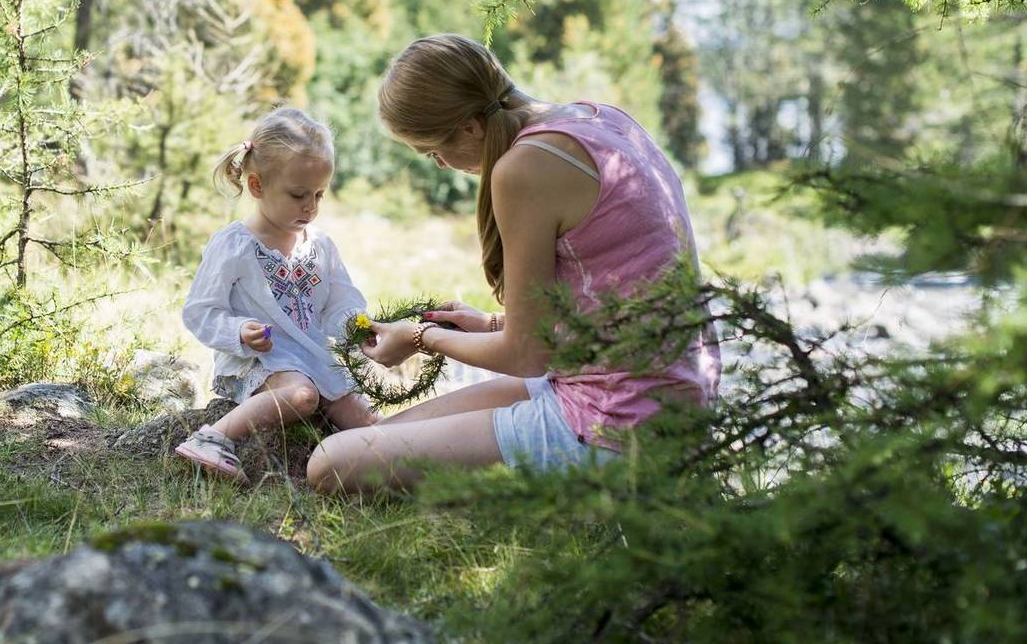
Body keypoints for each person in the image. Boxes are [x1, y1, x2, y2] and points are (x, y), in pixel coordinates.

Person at [306, 34, 721, 494]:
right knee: (366, 440)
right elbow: (613, 292)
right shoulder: (600, 119)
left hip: (619, 422)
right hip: (655, 398)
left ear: (469, 127)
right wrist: (489, 324)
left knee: (330, 464)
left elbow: (526, 355)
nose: (441, 165)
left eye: (433, 151)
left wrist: (420, 336)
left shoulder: (526, 167)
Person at [176, 107, 380, 482]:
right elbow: (200, 311)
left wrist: (359, 327)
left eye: (320, 194)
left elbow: (341, 301)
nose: (311, 206)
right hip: (262, 358)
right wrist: (239, 332)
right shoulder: (235, 245)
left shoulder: (319, 245)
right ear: (257, 186)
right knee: (302, 397)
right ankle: (213, 436)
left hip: (311, 352)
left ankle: (392, 466)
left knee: (364, 418)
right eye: (299, 194)